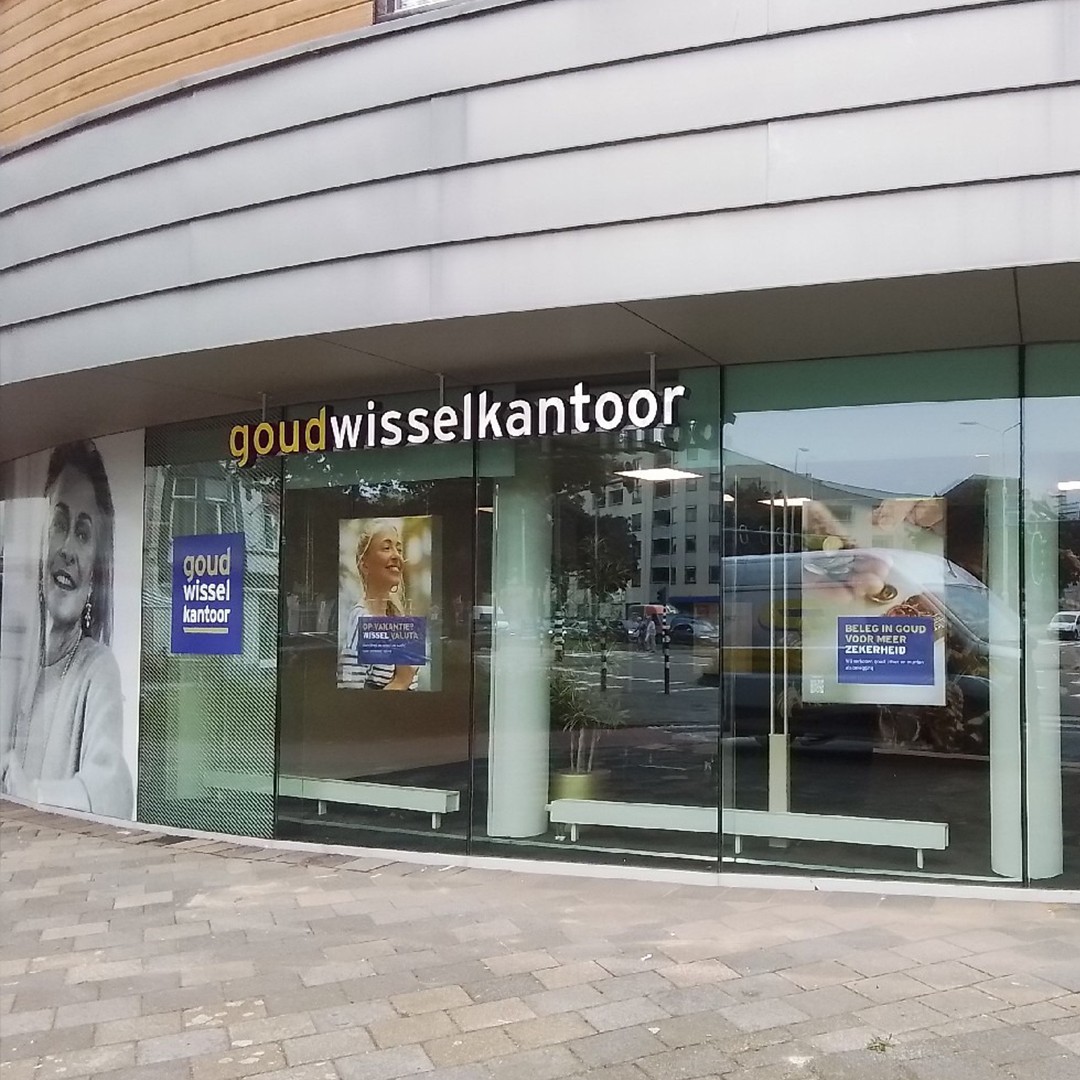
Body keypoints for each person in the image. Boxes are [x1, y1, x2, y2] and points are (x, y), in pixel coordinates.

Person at [0, 441, 133, 817]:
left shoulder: (97, 669)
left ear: (96, 571)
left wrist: (31, 794)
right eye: (60, 524)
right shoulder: (12, 655)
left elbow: (113, 791)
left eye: (84, 533)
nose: (68, 550)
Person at [339, 519, 420, 690]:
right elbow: (350, 699)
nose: (396, 556)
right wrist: (401, 681)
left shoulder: (401, 622)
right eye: (386, 548)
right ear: (365, 564)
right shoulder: (360, 620)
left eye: (399, 549)